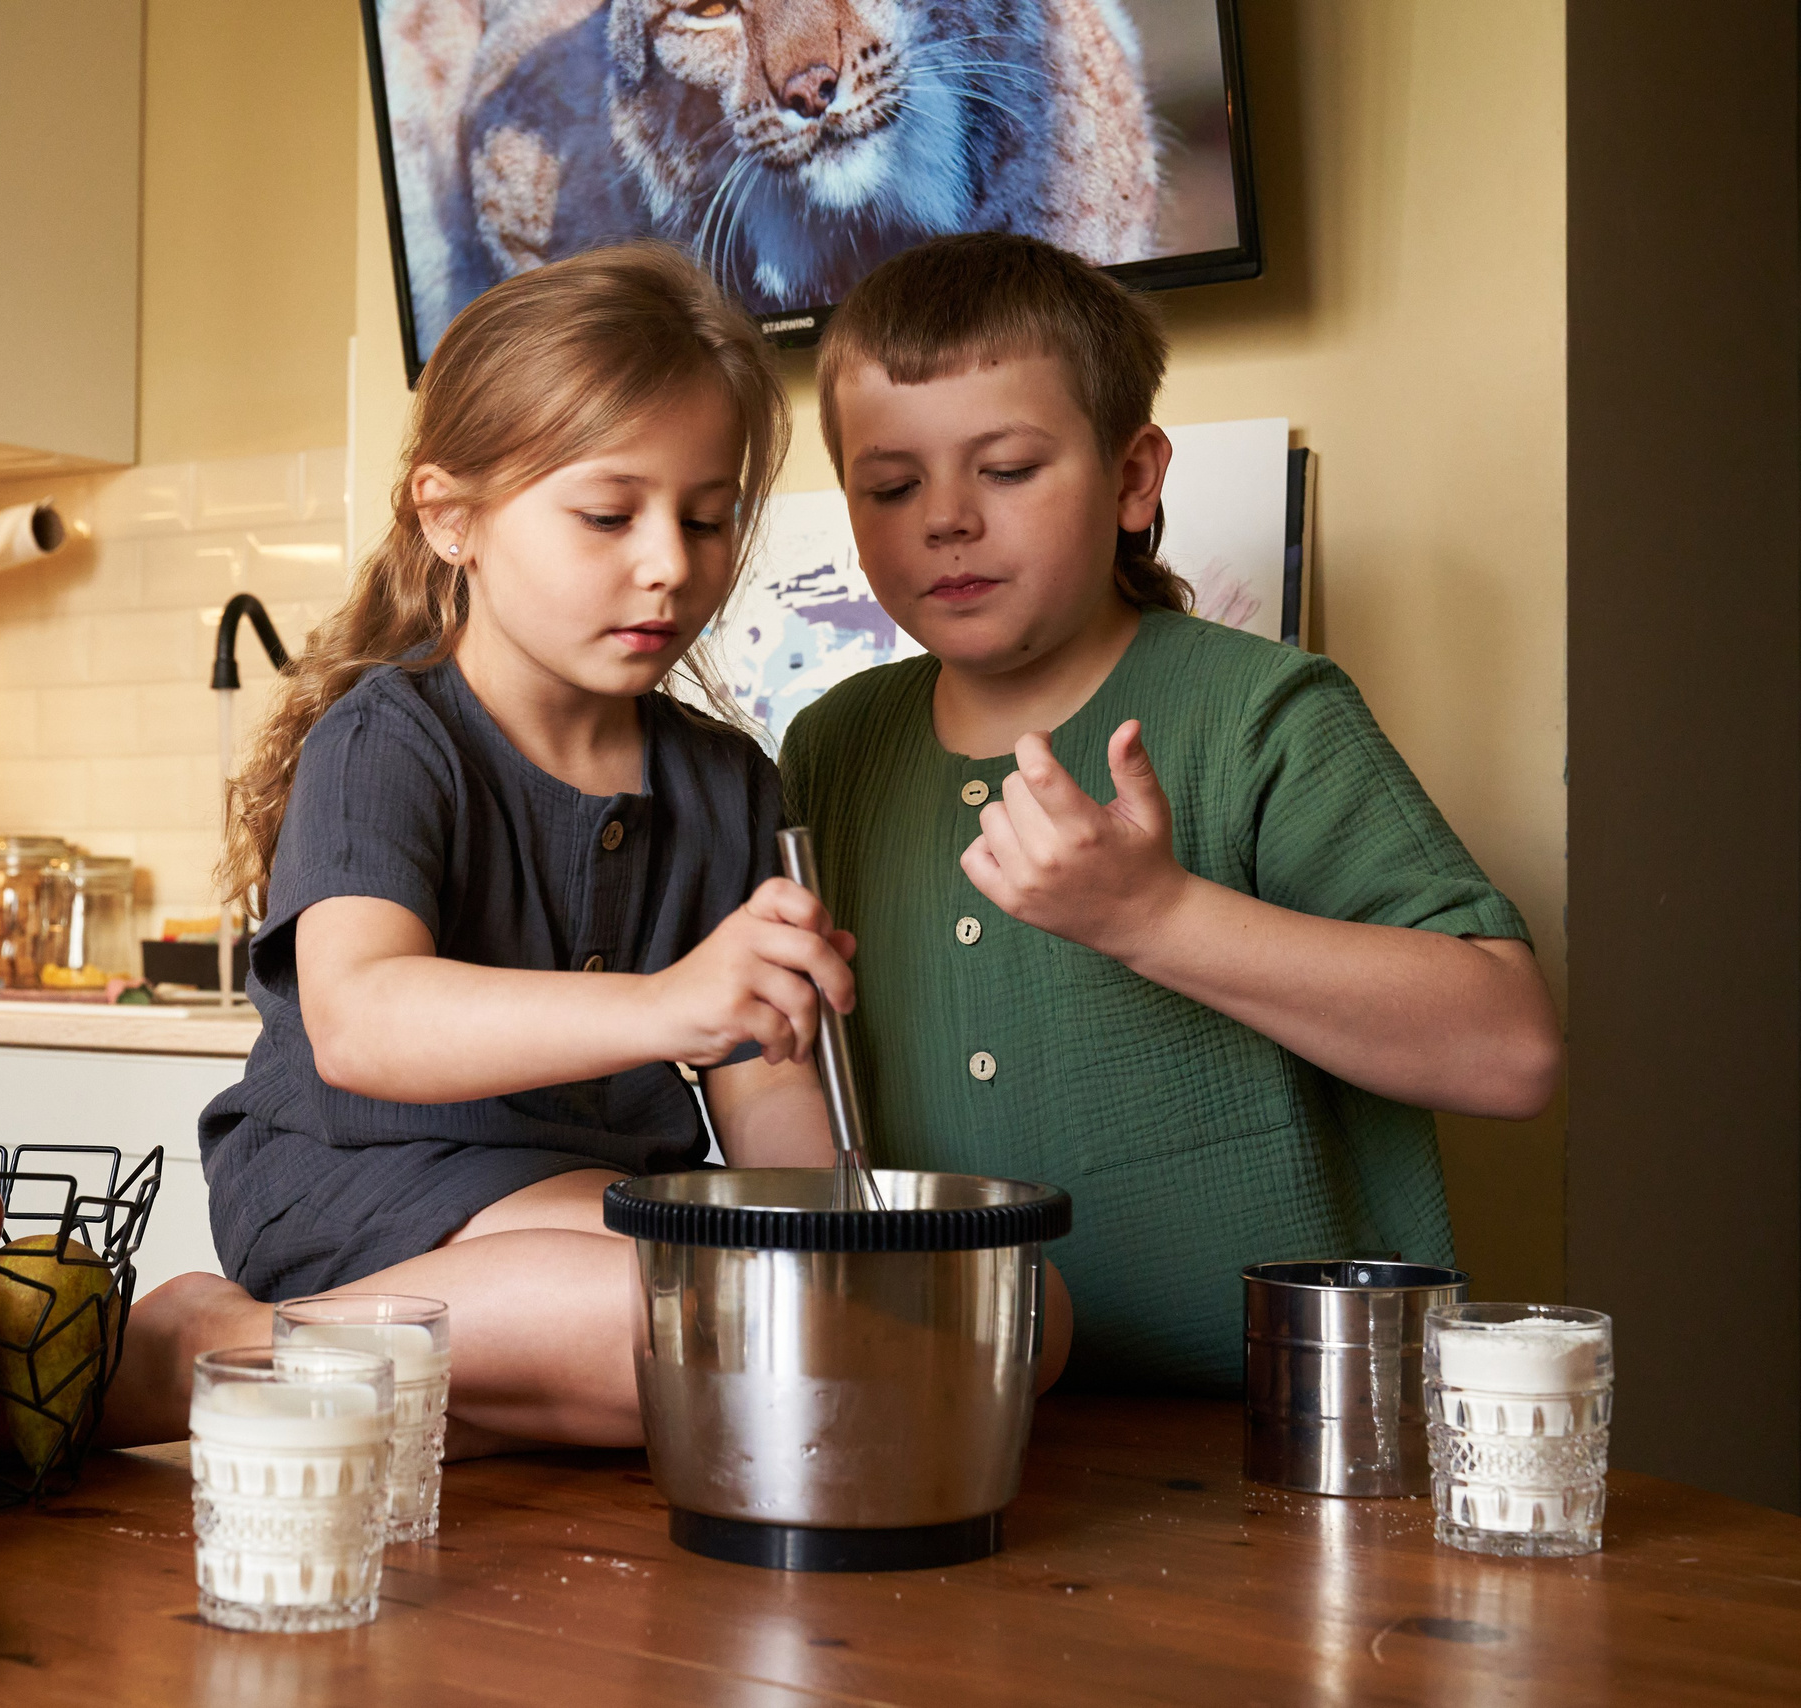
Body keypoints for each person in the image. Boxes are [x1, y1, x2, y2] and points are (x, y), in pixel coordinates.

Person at [100, 243, 877, 1451]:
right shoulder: (390, 739)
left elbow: (773, 1101)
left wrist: (858, 1259)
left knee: (984, 1320)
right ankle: (212, 1350)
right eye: (608, 515)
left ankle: (420, 1397)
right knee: (692, 1320)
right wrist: (668, 1004)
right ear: (452, 517)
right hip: (362, 1180)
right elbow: (363, 1021)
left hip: (592, 1208)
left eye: (709, 518)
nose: (670, 563)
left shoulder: (731, 781)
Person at [782, 232, 1563, 1394]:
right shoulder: (831, 745)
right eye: (891, 486)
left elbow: (1510, 1049)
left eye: (1004, 470)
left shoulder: (1261, 712)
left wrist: (1154, 915)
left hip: (1283, 1432)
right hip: (965, 1417)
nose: (945, 520)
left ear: (1134, 478)